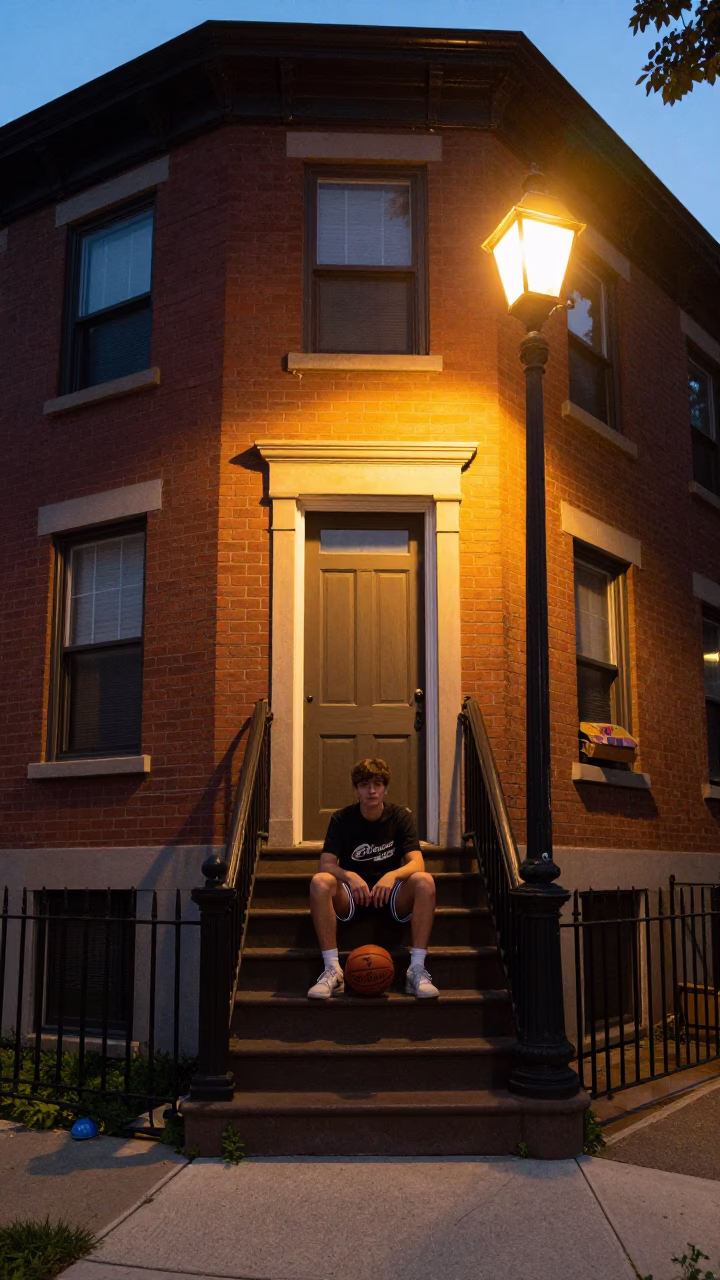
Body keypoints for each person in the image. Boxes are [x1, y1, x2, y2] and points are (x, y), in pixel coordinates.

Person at [307, 758, 439, 1000]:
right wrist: (350, 876)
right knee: (320, 881)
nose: (372, 790)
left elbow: (417, 863)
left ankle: (416, 969)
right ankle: (332, 970)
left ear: (385, 788)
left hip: (390, 896)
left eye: (378, 784)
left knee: (424, 880)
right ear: (356, 789)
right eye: (364, 785)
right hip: (352, 897)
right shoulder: (341, 819)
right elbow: (325, 864)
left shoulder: (400, 816)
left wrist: (392, 875)